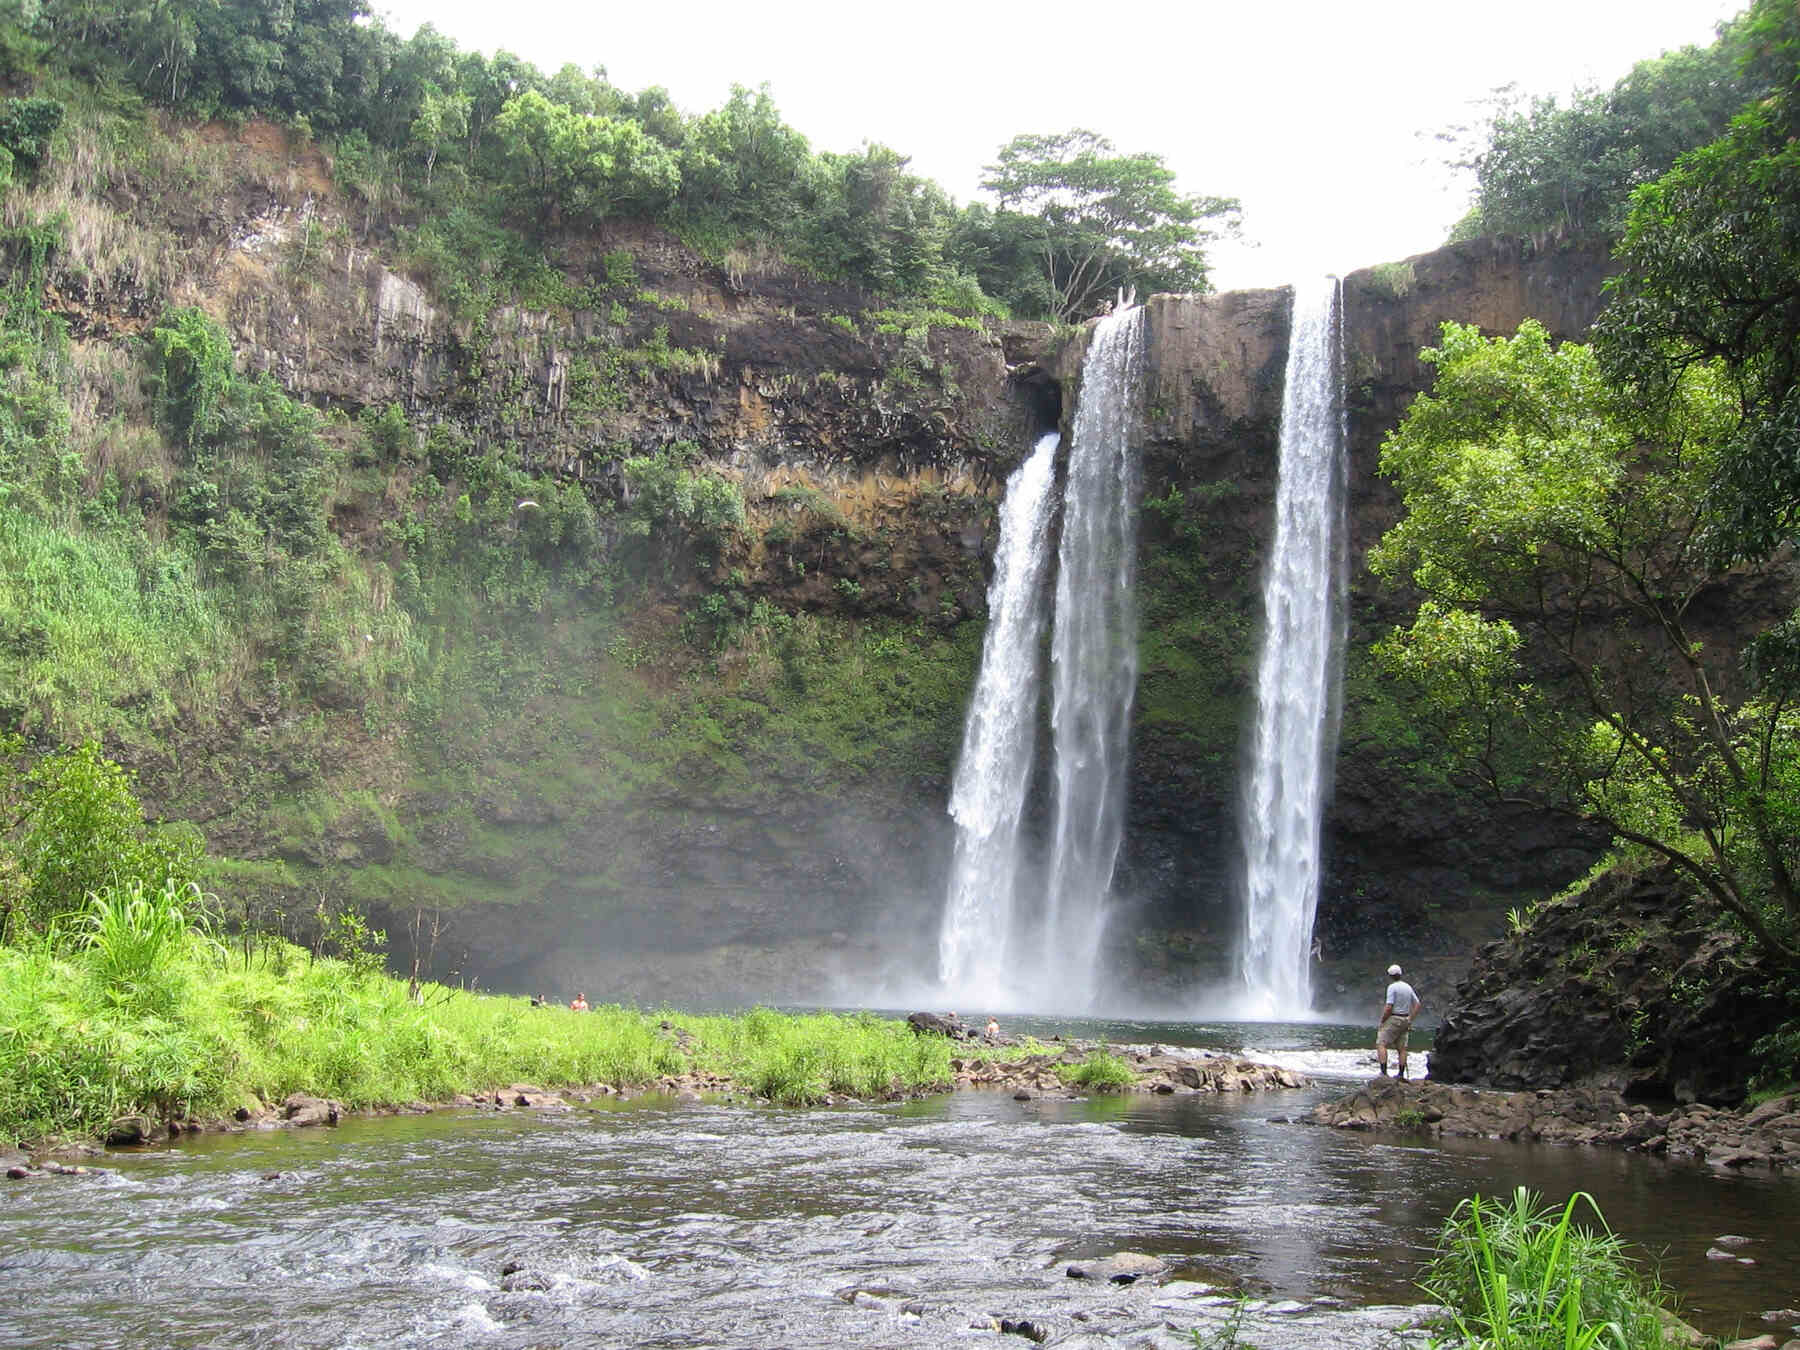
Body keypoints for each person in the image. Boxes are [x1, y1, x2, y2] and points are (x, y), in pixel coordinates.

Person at [1376, 964, 1421, 1079]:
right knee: (1402, 1048)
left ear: (1390, 976)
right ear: (1400, 974)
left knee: (1381, 1043)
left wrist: (1382, 1021)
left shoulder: (1392, 987)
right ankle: (1401, 1074)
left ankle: (1384, 1073)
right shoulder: (1408, 987)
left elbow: (1389, 1007)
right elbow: (1417, 1004)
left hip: (1394, 1018)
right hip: (1405, 1019)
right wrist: (1410, 1018)